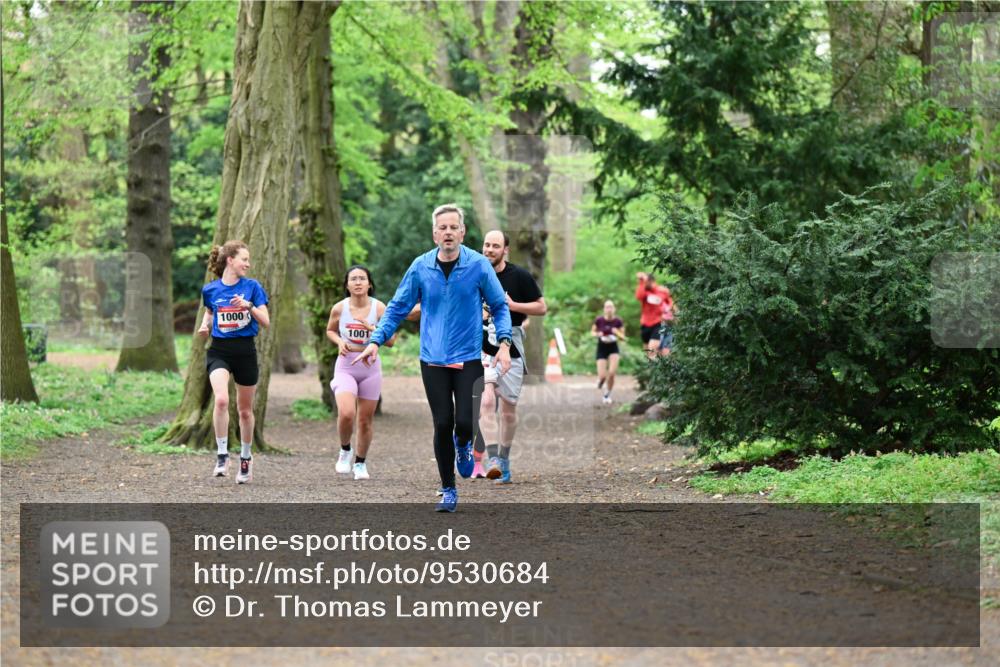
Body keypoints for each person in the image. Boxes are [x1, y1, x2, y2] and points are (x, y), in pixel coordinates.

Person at [354, 204, 512, 512]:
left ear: (462, 232)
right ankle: (448, 489)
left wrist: (504, 343)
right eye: (443, 228)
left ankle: (464, 445)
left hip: (467, 356)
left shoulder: (479, 265)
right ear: (435, 233)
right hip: (433, 359)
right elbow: (398, 307)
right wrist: (375, 340)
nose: (449, 232)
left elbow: (500, 306)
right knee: (442, 422)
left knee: (464, 422)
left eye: (454, 227)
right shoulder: (421, 266)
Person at [475, 230, 547, 484]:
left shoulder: (519, 276)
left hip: (511, 344)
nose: (489, 249)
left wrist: (513, 305)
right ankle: (493, 458)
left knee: (507, 408)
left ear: (505, 250)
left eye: (495, 245)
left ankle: (504, 458)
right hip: (481, 343)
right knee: (485, 401)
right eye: (487, 245)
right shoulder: (474, 274)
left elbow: (541, 306)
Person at [197, 240, 270, 484]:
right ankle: (221, 455)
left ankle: (246, 458)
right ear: (230, 260)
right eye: (244, 260)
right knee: (220, 400)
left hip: (245, 352)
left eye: (248, 260)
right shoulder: (210, 289)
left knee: (245, 411)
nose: (248, 264)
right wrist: (204, 325)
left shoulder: (252, 287)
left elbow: (266, 321)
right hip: (219, 350)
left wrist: (248, 306)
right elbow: (210, 311)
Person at [325, 265, 399, 481]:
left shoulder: (379, 309)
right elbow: (330, 330)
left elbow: (392, 341)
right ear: (347, 285)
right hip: (346, 365)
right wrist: (339, 341)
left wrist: (372, 330)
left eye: (362, 278)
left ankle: (360, 463)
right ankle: (345, 449)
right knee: (347, 413)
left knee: (365, 420)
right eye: (353, 279)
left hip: (370, 367)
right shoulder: (339, 308)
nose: (358, 282)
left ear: (369, 284)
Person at [592, 300, 625, 404]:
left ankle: (607, 395)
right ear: (604, 309)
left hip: (613, 348)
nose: (609, 309)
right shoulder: (599, 320)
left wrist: (617, 333)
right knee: (602, 376)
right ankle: (601, 381)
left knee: (611, 373)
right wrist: (598, 334)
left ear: (614, 309)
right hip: (601, 347)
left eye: (611, 307)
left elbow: (623, 337)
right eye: (607, 307)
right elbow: (592, 332)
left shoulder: (618, 321)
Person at [635, 272, 673, 359]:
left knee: (652, 350)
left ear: (651, 280)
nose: (644, 283)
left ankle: (654, 370)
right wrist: (641, 281)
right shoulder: (644, 291)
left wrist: (668, 312)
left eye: (645, 281)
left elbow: (670, 302)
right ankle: (652, 370)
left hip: (657, 323)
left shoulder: (662, 291)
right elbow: (638, 296)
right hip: (645, 324)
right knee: (648, 353)